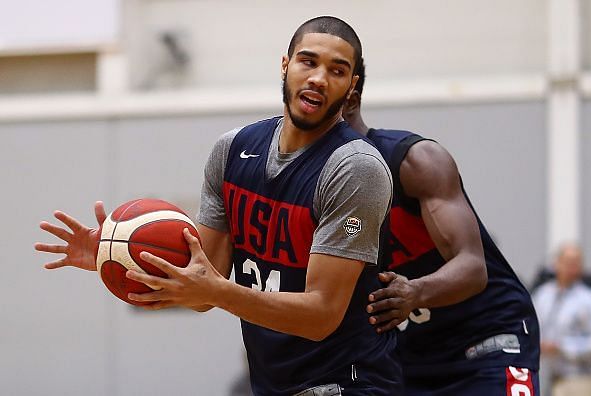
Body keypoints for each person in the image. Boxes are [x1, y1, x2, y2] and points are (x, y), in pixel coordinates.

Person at [35, 17, 402, 395]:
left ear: (351, 86)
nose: (319, 78)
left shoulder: (355, 169)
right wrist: (117, 250)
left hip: (348, 383)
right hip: (274, 383)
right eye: (308, 61)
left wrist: (217, 292)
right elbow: (200, 289)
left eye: (337, 70)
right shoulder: (232, 150)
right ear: (285, 65)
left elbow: (321, 316)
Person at [342, 62, 540, 395]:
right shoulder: (319, 192)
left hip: (485, 338)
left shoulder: (414, 161)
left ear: (351, 97)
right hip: (410, 356)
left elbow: (472, 268)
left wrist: (414, 292)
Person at [532, 243, 591, 396]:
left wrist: (563, 348)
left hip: (578, 378)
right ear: (556, 263)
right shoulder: (543, 295)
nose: (571, 269)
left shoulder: (588, 300)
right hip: (544, 374)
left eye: (576, 264)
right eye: (567, 263)